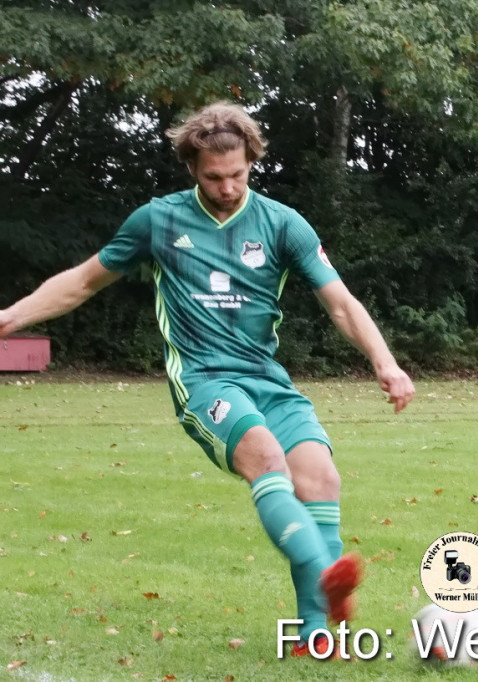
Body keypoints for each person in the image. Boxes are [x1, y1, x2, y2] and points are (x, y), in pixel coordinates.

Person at [0, 102, 416, 655]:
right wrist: (9, 318)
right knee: (265, 457)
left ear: (252, 161)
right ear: (192, 170)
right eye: (213, 177)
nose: (227, 187)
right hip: (202, 380)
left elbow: (340, 303)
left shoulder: (282, 223)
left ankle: (315, 639)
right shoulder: (158, 220)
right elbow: (81, 283)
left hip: (266, 377)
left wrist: (385, 363)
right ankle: (324, 572)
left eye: (238, 174)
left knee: (320, 478)